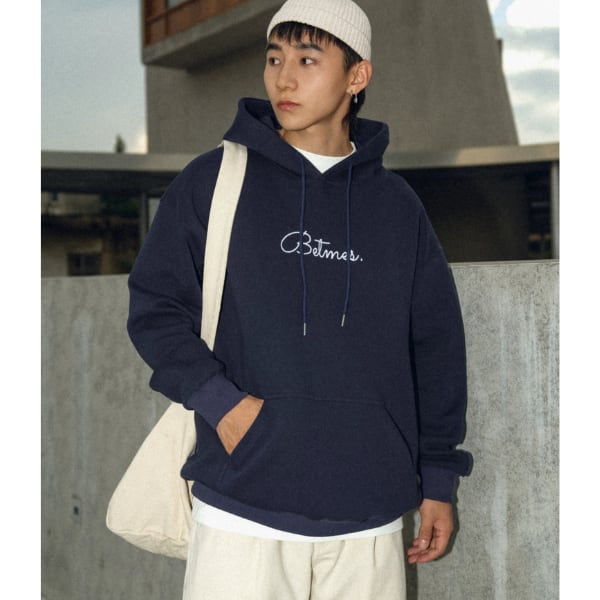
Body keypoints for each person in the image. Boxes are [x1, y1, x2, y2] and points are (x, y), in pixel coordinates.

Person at [127, 0, 471, 597]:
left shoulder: (396, 207)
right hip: (242, 506)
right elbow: (155, 309)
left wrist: (437, 477)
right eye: (274, 58)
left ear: (357, 76)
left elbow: (435, 348)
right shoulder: (215, 181)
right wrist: (225, 407)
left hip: (368, 515)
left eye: (307, 60)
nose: (284, 78)